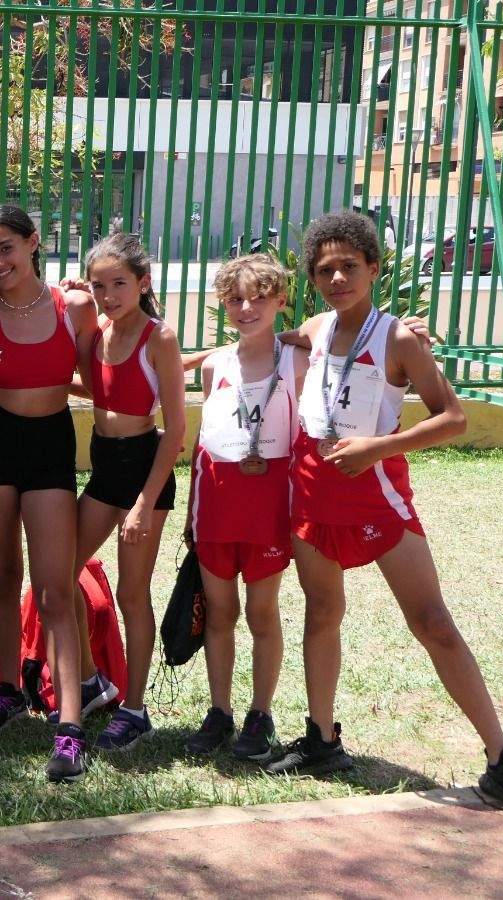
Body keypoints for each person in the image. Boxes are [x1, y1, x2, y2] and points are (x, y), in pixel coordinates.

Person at [266, 211, 503, 825]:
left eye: (350, 266)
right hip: (314, 493)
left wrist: (378, 447)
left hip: (376, 493)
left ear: (374, 269)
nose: (338, 277)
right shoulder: (315, 328)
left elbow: (452, 417)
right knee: (322, 612)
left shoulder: (398, 338)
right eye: (325, 269)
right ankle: (321, 738)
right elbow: (268, 337)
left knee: (433, 622)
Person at [0, 205, 99, 782]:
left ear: (33, 243)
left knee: (55, 587)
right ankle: (10, 690)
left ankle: (69, 725)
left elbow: (107, 367)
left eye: (6, 248)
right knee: (3, 572)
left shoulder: (76, 306)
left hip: (50, 449)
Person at [64, 233, 188, 753]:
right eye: (99, 285)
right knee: (58, 571)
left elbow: (176, 430)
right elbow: (99, 391)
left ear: (143, 282)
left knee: (130, 594)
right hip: (104, 470)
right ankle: (94, 682)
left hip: (144, 471)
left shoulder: (159, 338)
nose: (109, 294)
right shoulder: (99, 335)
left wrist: (143, 503)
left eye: (119, 283)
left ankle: (135, 709)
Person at [182, 255, 306, 760]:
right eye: (235, 298)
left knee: (261, 611)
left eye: (259, 296)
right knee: (219, 611)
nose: (246, 307)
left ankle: (260, 712)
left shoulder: (296, 360)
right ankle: (220, 710)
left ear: (281, 301)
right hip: (216, 504)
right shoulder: (215, 365)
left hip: (268, 507)